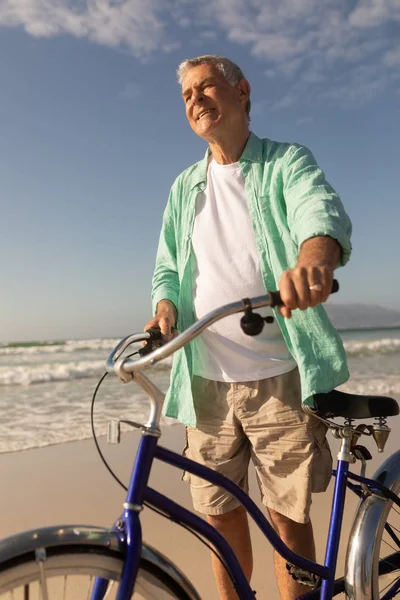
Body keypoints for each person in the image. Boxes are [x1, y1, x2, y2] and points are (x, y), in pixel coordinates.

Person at [144, 55, 352, 600]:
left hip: (278, 374)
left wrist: (315, 259)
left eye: (205, 86)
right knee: (220, 517)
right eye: (186, 94)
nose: (195, 100)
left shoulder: (285, 161)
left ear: (241, 91)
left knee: (287, 519)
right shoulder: (184, 186)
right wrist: (165, 307)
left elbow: (318, 210)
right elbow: (167, 266)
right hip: (204, 382)